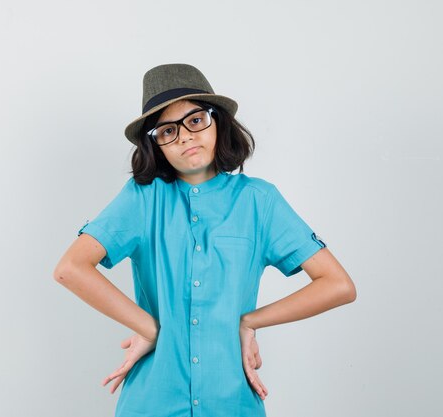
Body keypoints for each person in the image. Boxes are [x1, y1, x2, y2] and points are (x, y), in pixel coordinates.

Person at [53, 63, 356, 417]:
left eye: (195, 120)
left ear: (219, 121)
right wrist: (147, 327)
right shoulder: (142, 198)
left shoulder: (259, 201)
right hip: (152, 402)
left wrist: (251, 321)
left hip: (233, 403)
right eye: (167, 131)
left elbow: (338, 285)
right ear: (156, 145)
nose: (184, 137)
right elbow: (70, 268)